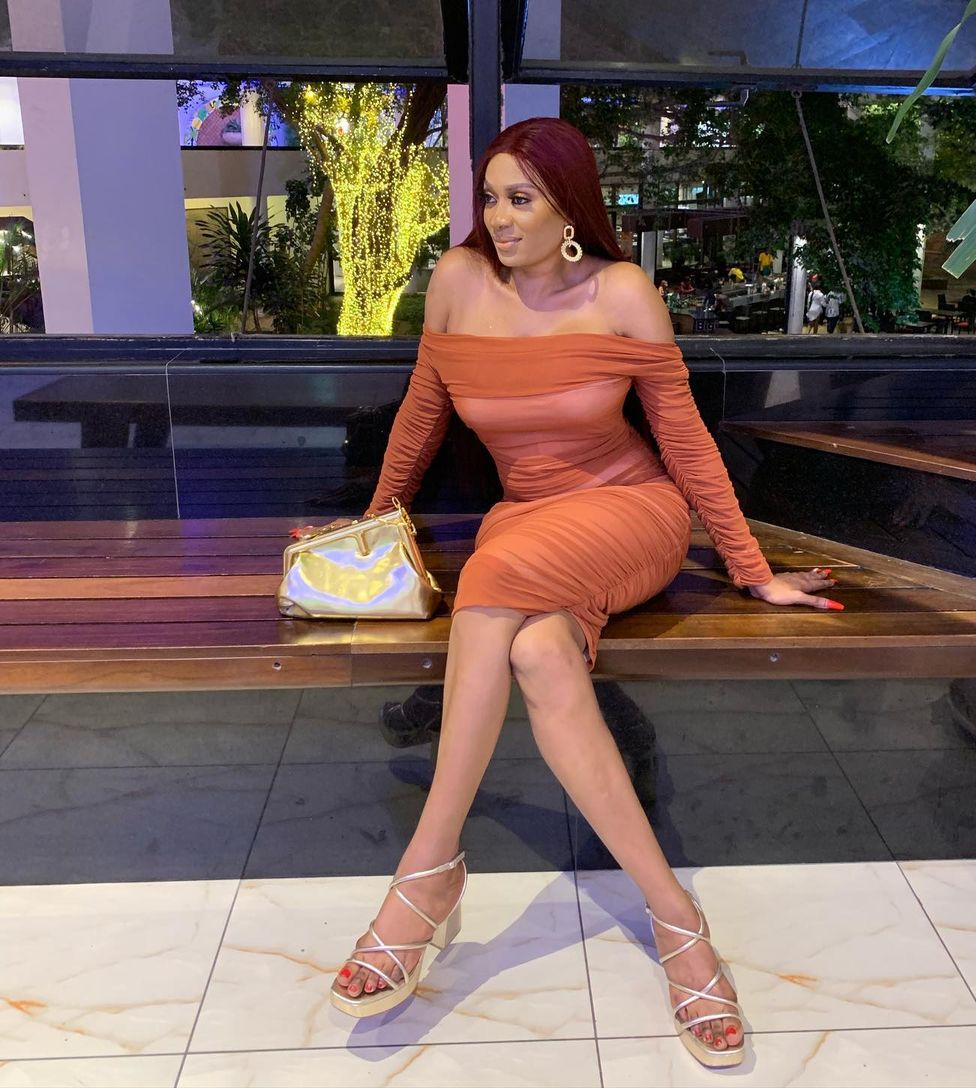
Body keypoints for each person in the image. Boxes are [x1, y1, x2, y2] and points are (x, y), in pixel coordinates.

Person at [319, 117, 841, 1070]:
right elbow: (420, 419)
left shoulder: (622, 292)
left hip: (632, 514)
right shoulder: (457, 283)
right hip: (527, 524)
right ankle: (678, 918)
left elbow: (684, 440)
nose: (500, 217)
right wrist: (372, 525)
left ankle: (427, 872)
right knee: (536, 650)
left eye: (522, 199)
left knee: (493, 575)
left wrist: (750, 568)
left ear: (570, 210)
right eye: (490, 197)